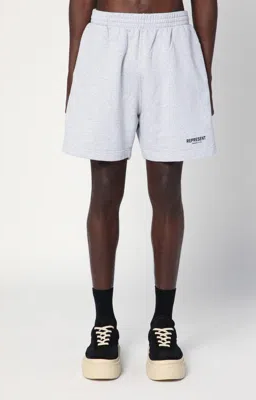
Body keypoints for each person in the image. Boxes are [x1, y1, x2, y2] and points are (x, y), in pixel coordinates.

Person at [63, 0, 217, 381]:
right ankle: (104, 322)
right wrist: (74, 66)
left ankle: (163, 323)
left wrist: (204, 71)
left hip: (171, 39)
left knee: (167, 188)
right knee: (104, 187)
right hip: (107, 38)